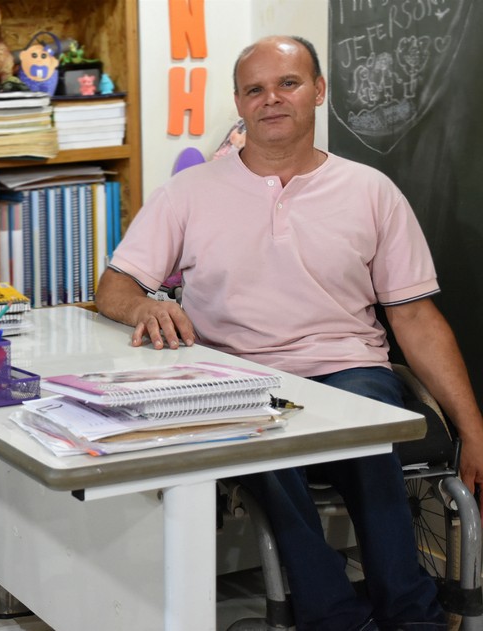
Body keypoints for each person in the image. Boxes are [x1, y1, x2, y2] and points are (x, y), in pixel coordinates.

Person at [95, 35, 483, 631]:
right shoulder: (188, 193)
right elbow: (113, 288)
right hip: (235, 373)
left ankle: (410, 616)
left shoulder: (371, 192)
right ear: (239, 103)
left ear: (319, 91)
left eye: (288, 83)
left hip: (349, 367)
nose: (271, 99)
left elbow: (416, 318)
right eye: (255, 89)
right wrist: (143, 307)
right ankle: (334, 614)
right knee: (260, 442)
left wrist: (473, 427)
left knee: (366, 430)